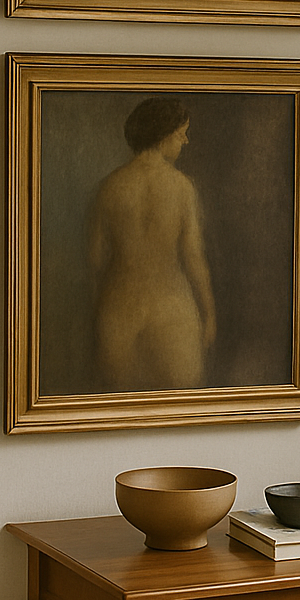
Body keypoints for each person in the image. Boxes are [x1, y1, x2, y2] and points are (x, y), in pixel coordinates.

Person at [89, 98, 216, 392]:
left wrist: (98, 315)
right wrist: (209, 313)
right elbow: (194, 257)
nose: (185, 140)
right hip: (171, 309)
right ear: (163, 133)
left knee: (120, 412)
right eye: (181, 132)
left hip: (118, 310)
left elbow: (95, 260)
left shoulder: (110, 187)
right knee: (179, 410)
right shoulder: (182, 187)